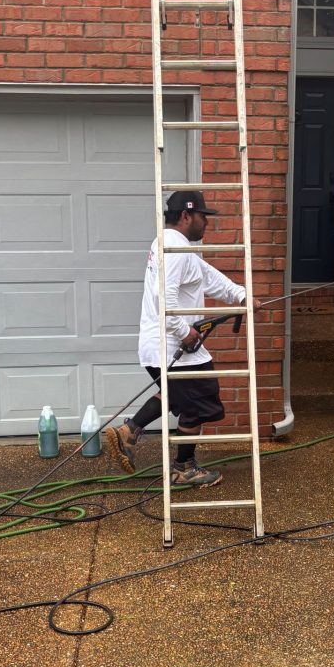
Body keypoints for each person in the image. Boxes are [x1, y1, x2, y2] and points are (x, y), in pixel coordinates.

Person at [104, 190, 259, 487]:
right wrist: (184, 331)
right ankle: (180, 465)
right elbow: (164, 297)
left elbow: (209, 278)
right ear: (186, 215)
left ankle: (131, 433)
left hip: (166, 345)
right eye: (203, 216)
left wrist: (242, 295)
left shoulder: (177, 246)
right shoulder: (174, 247)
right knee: (198, 400)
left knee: (185, 397)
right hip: (170, 345)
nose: (206, 222)